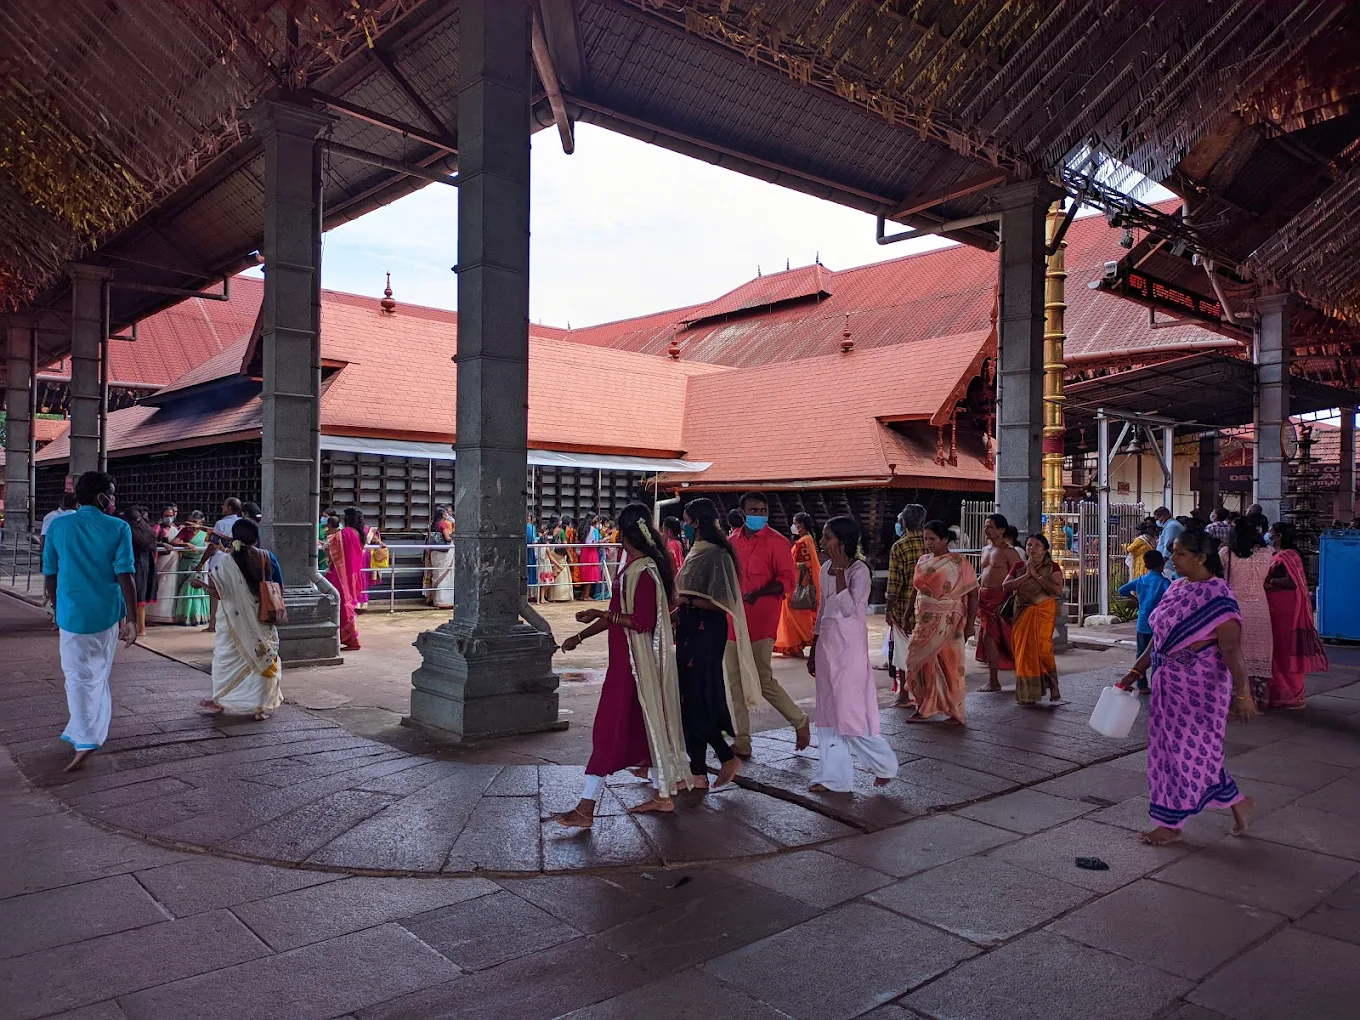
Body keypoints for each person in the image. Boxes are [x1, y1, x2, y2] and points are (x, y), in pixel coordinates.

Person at [554, 503, 692, 826]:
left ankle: (586, 808)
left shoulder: (644, 571)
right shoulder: (633, 567)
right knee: (643, 726)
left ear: (626, 532)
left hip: (632, 668)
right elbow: (616, 614)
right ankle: (662, 795)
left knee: (607, 731)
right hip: (625, 663)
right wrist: (582, 635)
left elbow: (641, 621)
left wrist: (601, 616)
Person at [1117, 530, 1257, 845]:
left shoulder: (1219, 597)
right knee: (1174, 753)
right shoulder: (1178, 587)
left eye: (1179, 553)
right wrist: (1136, 670)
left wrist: (1243, 693)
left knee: (1188, 753)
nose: (1172, 559)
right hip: (1168, 686)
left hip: (1200, 689)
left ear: (1200, 558)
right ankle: (1238, 804)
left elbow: (1232, 649)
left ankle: (1170, 826)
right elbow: (1160, 636)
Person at [41, 471, 138, 772]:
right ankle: (85, 730)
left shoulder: (58, 526)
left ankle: (85, 737)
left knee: (77, 675)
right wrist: (133, 619)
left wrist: (56, 607)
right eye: (112, 493)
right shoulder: (118, 527)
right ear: (101, 497)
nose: (114, 499)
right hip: (106, 613)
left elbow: (50, 572)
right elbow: (125, 575)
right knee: (97, 674)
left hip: (71, 613)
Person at [807, 516, 899, 793]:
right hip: (827, 645)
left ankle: (884, 765)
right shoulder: (825, 568)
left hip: (849, 649)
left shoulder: (859, 571)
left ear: (843, 541)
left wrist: (839, 573)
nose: (822, 542)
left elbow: (849, 608)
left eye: (827, 537)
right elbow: (824, 608)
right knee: (828, 711)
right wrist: (813, 645)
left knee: (849, 711)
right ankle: (833, 778)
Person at [673, 498, 758, 789]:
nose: (683, 525)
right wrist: (678, 610)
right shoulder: (695, 550)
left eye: (686, 520)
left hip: (705, 632)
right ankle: (697, 773)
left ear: (696, 521)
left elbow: (722, 603)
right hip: (687, 630)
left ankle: (725, 756)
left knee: (695, 699)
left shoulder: (716, 554)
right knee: (686, 698)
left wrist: (687, 600)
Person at [725, 492, 810, 756]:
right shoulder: (731, 542)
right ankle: (742, 740)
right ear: (742, 513)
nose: (759, 514)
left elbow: (787, 580)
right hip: (733, 620)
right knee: (735, 680)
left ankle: (799, 720)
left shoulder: (778, 542)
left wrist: (759, 593)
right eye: (754, 510)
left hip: (762, 620)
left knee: (763, 679)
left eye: (763, 510)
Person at [201, 518, 284, 721]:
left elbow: (220, 593)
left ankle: (220, 699)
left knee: (225, 659)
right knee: (262, 657)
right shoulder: (267, 557)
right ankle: (260, 707)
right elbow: (279, 588)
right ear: (256, 538)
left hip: (232, 621)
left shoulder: (226, 563)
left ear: (234, 539)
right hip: (261, 618)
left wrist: (200, 584)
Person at [902, 521, 979, 725]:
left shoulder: (958, 562)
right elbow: (916, 589)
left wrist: (970, 623)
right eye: (926, 538)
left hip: (950, 621)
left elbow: (973, 594)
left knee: (949, 665)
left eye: (932, 539)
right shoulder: (923, 560)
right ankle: (923, 705)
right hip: (924, 618)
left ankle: (954, 711)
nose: (928, 543)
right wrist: (908, 611)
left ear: (945, 539)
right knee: (915, 661)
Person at [1264, 522, 1329, 709]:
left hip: (1286, 607)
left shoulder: (1290, 555)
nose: (1268, 534)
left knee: (1286, 650)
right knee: (1275, 650)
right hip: (1274, 606)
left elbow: (1292, 582)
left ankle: (1291, 693)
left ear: (1279, 536)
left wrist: (1269, 580)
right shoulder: (1276, 554)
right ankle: (1278, 693)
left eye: (1271, 532)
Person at [1004, 533, 1065, 705]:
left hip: (1043, 612)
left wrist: (1036, 576)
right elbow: (1006, 586)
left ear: (1045, 549)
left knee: (1043, 650)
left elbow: (1057, 591)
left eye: (1037, 545)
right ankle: (1028, 693)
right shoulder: (1018, 566)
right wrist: (1026, 575)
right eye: (1029, 545)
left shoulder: (1053, 568)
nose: (1032, 548)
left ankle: (1053, 685)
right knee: (1023, 652)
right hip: (1022, 611)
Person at [1221, 517, 1274, 710]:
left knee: (1235, 651)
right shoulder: (1268, 553)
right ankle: (1257, 700)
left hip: (1234, 608)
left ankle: (1236, 699)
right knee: (1259, 653)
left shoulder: (1226, 553)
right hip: (1259, 608)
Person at [884, 503, 927, 700]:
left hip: (904, 608)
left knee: (902, 652)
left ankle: (903, 695)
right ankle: (925, 691)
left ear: (903, 522)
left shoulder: (899, 546)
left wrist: (888, 609)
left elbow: (895, 583)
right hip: (929, 606)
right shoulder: (931, 543)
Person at [975, 513, 1020, 693]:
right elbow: (984, 574)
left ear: (1001, 530)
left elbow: (1019, 575)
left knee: (1003, 639)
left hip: (1001, 599)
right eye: (986, 526)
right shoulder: (985, 549)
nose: (987, 529)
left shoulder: (1009, 551)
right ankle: (993, 680)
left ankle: (998, 680)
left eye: (991, 526)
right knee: (989, 638)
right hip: (984, 598)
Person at [1117, 549, 1171, 693]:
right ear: (1161, 565)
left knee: (1141, 654)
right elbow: (1171, 598)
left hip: (1142, 623)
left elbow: (1122, 590)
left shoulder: (1141, 580)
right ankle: (1156, 683)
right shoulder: (1164, 582)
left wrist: (1137, 599)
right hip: (1158, 625)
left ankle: (1142, 685)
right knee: (1157, 655)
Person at [775, 512, 820, 658]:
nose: (793, 526)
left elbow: (803, 565)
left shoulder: (802, 543)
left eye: (795, 523)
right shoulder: (809, 540)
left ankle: (797, 644)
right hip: (805, 584)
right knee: (799, 616)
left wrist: (786, 564)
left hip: (796, 586)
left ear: (800, 525)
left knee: (791, 616)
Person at [324, 512, 364, 650]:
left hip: (342, 575)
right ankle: (346, 637)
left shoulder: (346, 532)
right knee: (348, 605)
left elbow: (330, 545)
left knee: (343, 606)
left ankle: (351, 639)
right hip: (354, 575)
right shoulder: (359, 533)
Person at [146, 506, 184, 625]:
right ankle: (153, 616)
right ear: (162, 517)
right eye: (166, 516)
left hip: (174, 561)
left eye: (171, 515)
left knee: (170, 587)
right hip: (162, 560)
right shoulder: (157, 528)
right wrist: (163, 544)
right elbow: (150, 541)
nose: (169, 518)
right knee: (160, 586)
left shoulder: (176, 529)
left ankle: (168, 616)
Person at [126, 506, 159, 637]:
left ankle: (131, 627)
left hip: (135, 564)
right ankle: (142, 629)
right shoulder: (147, 530)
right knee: (141, 600)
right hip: (147, 565)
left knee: (132, 596)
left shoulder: (129, 531)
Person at [174, 511, 212, 626]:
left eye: (196, 522)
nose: (193, 524)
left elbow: (212, 544)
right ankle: (184, 617)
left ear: (201, 522)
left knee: (197, 588)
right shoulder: (186, 531)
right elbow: (174, 541)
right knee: (186, 588)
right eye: (191, 521)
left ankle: (199, 617)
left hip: (200, 563)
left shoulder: (205, 533)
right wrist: (186, 544)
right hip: (186, 563)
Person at [425, 505, 456, 609]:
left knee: (436, 574)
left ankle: (436, 599)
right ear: (443, 514)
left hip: (434, 552)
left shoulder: (432, 524)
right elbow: (447, 538)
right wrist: (455, 535)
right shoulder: (443, 524)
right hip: (443, 553)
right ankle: (444, 601)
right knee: (445, 575)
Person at [541, 516, 574, 602]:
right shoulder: (561, 531)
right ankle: (561, 596)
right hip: (560, 554)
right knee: (562, 572)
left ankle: (550, 595)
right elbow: (565, 546)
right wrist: (570, 556)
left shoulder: (547, 531)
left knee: (551, 572)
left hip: (550, 553)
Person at [579, 515, 605, 600]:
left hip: (584, 552)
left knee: (586, 572)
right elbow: (593, 542)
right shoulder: (593, 530)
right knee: (591, 573)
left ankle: (584, 594)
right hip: (591, 552)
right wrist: (603, 540)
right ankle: (586, 596)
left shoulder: (584, 528)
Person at [364, 519, 388, 606]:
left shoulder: (368, 530)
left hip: (366, 559)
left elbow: (375, 539)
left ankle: (362, 603)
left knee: (363, 581)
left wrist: (380, 542)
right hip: (361, 558)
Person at [1154, 506, 1184, 575]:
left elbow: (1168, 547)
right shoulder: (1170, 525)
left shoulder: (1171, 526)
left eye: (1159, 518)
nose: (1158, 521)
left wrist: (1162, 563)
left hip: (1169, 565)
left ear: (1165, 515)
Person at [526, 514, 539, 601]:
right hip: (530, 551)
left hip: (527, 551)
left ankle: (528, 594)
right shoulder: (531, 527)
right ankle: (531, 594)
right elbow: (533, 539)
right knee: (531, 571)